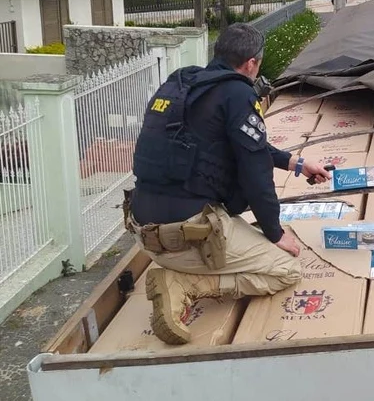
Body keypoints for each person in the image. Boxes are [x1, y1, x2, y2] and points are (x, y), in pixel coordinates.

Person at [126, 23, 332, 345]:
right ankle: (187, 284)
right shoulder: (238, 92)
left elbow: (232, 144)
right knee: (286, 269)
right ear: (251, 63)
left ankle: (180, 271)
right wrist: (275, 233)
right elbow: (256, 176)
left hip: (145, 233)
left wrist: (298, 164)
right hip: (186, 239)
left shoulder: (183, 82)